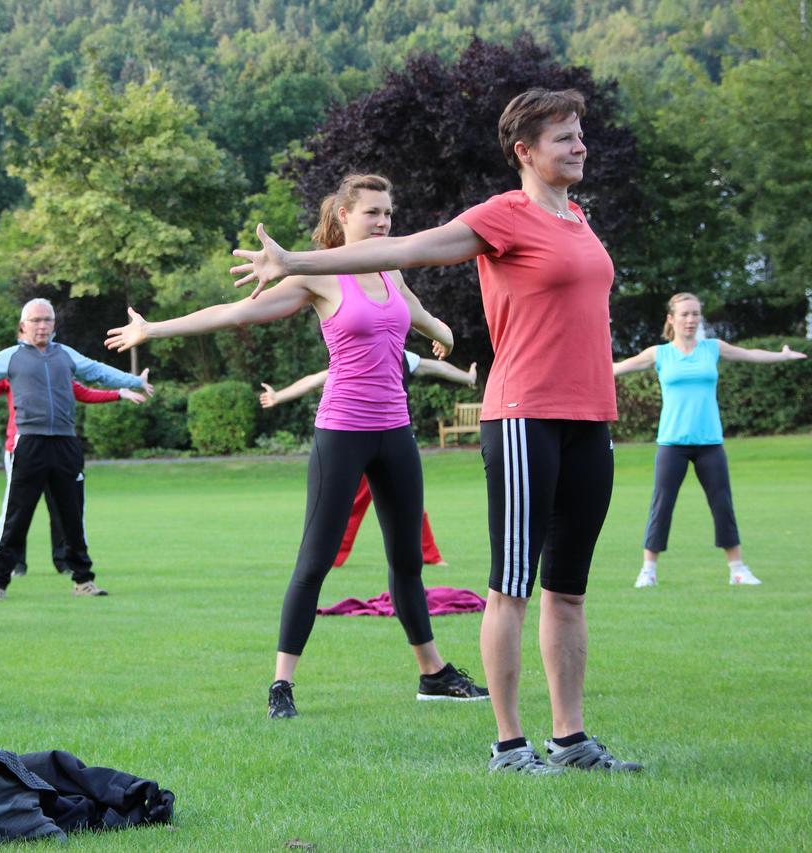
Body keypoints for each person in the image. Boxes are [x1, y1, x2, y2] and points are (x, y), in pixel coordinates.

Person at [230, 90, 642, 772]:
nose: (580, 147)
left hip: (589, 417)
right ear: (525, 151)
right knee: (513, 583)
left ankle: (570, 739)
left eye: (580, 136)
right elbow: (408, 248)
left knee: (568, 588)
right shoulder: (501, 216)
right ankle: (510, 744)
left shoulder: (579, 219)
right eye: (565, 138)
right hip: (523, 416)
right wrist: (298, 262)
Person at [107, 173, 489, 719]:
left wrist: (445, 336)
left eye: (388, 213)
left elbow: (425, 320)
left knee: (407, 561)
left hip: (395, 432)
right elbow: (235, 313)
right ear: (342, 218)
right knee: (314, 562)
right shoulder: (322, 275)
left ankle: (433, 674)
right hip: (342, 433)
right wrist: (156, 331)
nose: (383, 222)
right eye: (372, 213)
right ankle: (282, 684)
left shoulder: (392, 269)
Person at [0, 298, 153, 600]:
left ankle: (83, 581)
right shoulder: (10, 358)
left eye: (47, 320)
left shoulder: (65, 355)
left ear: (54, 325)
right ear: (22, 325)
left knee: (71, 515)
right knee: (17, 516)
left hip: (66, 444)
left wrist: (133, 381)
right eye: (35, 320)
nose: (41, 325)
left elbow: (97, 372)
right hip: (29, 443)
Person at [613, 292, 806, 588]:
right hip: (671, 443)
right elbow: (616, 368)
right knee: (661, 505)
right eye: (685, 314)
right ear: (671, 319)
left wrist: (782, 356)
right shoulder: (659, 354)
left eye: (695, 314)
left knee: (722, 504)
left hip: (710, 442)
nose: (691, 320)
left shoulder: (712, 348)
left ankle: (738, 570)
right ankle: (648, 571)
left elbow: (750, 354)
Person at [259, 355, 478, 567]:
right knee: (353, 506)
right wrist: (279, 396)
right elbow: (315, 380)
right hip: (358, 446)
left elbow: (438, 368)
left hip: (392, 446)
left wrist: (468, 378)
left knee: (409, 506)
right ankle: (325, 558)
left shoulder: (402, 356)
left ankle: (429, 556)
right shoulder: (354, 356)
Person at [0, 376, 145, 577]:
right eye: (34, 325)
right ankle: (13, 563)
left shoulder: (57, 367)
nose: (41, 329)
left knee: (62, 509)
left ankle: (64, 561)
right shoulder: (12, 368)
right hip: (22, 450)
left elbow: (83, 392)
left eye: (46, 325)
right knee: (18, 510)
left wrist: (119, 393)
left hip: (58, 450)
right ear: (23, 329)